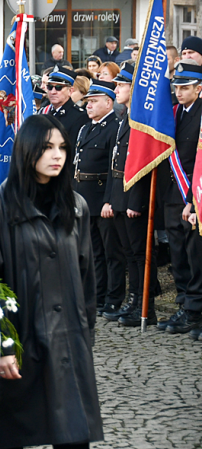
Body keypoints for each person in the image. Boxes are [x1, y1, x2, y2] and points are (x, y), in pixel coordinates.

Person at [0, 114, 102, 449]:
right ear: (27, 151)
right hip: (18, 340)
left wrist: (85, 331)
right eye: (47, 147)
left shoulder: (76, 207)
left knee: (71, 432)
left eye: (62, 148)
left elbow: (86, 277)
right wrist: (1, 346)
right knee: (10, 432)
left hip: (66, 341)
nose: (57, 155)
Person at [101, 63, 159, 326]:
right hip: (120, 195)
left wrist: (135, 201)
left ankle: (144, 303)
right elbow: (116, 165)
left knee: (140, 253)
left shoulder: (140, 120)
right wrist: (112, 199)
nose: (117, 88)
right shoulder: (125, 116)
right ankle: (135, 299)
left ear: (134, 88)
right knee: (128, 251)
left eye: (122, 85)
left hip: (133, 199)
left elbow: (142, 164)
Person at [157, 58, 202, 336]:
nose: (179, 91)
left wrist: (192, 199)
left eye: (186, 87)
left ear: (199, 88)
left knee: (194, 252)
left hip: (195, 192)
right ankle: (186, 303)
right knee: (178, 251)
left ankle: (195, 308)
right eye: (177, 86)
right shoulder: (175, 113)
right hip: (173, 192)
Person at [73, 80, 125, 318]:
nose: (89, 106)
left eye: (94, 102)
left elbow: (112, 168)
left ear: (108, 102)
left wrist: (109, 201)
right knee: (93, 252)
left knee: (111, 252)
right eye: (88, 102)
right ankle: (99, 295)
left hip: (102, 197)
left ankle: (114, 298)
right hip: (84, 197)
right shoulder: (87, 128)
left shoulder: (114, 127)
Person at [40, 66, 89, 143]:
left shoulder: (80, 117)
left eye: (58, 87)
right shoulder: (46, 113)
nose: (53, 92)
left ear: (70, 91)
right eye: (50, 87)